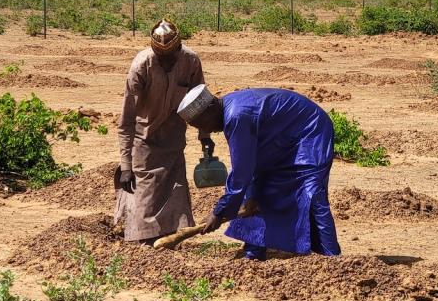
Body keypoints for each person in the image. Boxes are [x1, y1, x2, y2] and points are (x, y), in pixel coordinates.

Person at [177, 85, 341, 260]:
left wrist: (219, 212)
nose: (207, 129)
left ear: (211, 108)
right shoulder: (230, 111)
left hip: (310, 131)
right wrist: (250, 195)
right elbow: (249, 165)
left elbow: (241, 173)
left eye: (202, 124)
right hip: (281, 139)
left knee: (311, 192)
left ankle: (331, 258)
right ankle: (254, 250)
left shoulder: (236, 116)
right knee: (257, 192)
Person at [115, 19, 214, 244]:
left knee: (175, 191)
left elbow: (201, 104)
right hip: (144, 138)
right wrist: (126, 166)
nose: (166, 63)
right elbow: (126, 119)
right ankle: (142, 245)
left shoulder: (190, 61)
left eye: (171, 58)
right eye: (161, 58)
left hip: (174, 137)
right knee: (145, 194)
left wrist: (205, 135)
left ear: (179, 48)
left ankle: (169, 241)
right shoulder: (141, 65)